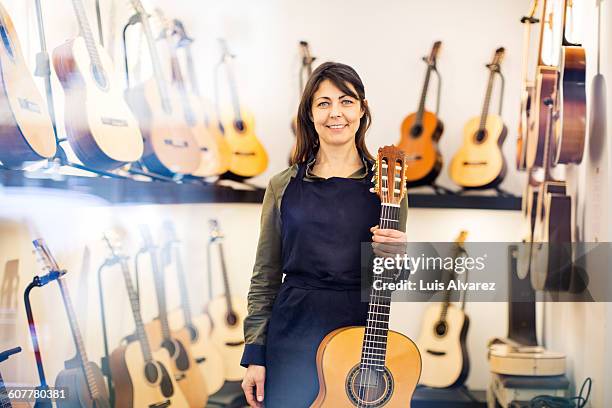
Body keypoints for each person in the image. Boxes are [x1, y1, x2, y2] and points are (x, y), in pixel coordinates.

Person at [240, 61, 408, 408]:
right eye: (324, 102)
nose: (336, 113)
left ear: (362, 110)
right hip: (292, 334)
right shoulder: (282, 185)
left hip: (359, 337)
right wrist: (255, 353)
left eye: (346, 101)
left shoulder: (388, 188)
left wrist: (401, 259)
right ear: (310, 114)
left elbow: (389, 280)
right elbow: (265, 277)